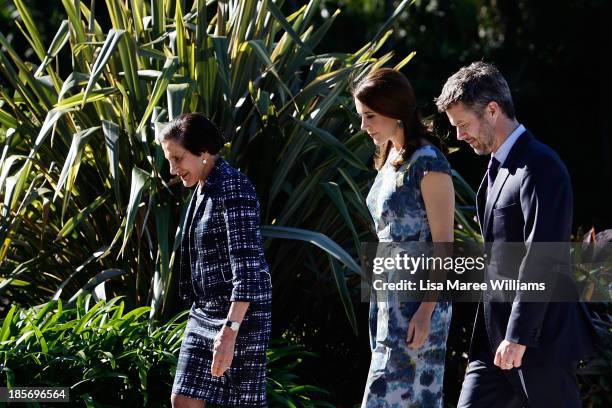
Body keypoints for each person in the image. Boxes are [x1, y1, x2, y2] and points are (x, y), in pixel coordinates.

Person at [435, 62, 595, 407]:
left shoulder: (541, 166)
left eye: (463, 124)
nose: (460, 135)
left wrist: (519, 335)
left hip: (537, 341)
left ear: (492, 110)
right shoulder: (497, 169)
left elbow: (544, 256)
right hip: (493, 344)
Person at [353, 68, 455, 407]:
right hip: (387, 297)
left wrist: (426, 311)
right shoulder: (391, 160)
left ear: (394, 110)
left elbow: (444, 243)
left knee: (400, 397)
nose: (364, 126)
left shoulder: (428, 161)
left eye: (370, 116)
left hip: (417, 300)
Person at [158, 113, 272, 408]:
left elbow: (247, 266)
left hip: (241, 317)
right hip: (204, 312)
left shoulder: (233, 186)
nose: (173, 169)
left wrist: (231, 331)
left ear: (204, 152)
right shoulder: (202, 187)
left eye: (178, 158)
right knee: (182, 399)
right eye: (170, 160)